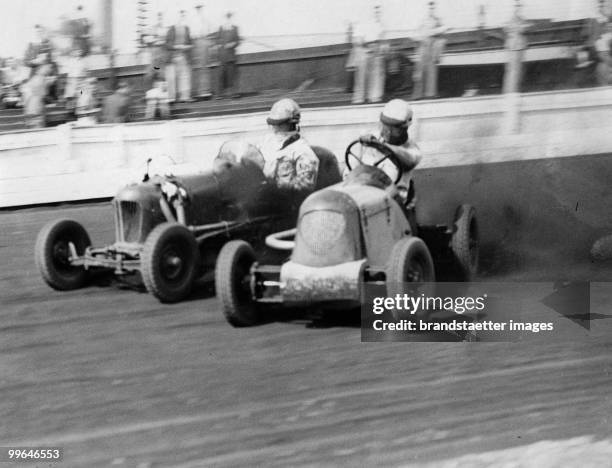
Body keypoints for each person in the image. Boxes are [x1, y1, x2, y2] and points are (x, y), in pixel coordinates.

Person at [349, 99, 422, 210]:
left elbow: (407, 161)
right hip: (364, 196)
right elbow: (350, 171)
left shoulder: (413, 151)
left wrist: (379, 145)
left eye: (394, 127)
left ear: (405, 127)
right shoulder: (368, 139)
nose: (387, 131)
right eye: (385, 125)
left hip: (394, 205)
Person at [257, 98, 319, 192]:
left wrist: (273, 187)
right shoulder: (266, 141)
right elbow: (252, 159)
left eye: (279, 124)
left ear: (291, 124)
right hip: (260, 196)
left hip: (284, 201)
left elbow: (304, 187)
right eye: (273, 124)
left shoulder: (303, 152)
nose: (275, 128)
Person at [351, 5, 387, 104]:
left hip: (377, 50)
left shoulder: (380, 24)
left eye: (378, 11)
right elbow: (356, 40)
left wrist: (382, 47)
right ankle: (360, 98)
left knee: (377, 74)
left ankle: (375, 96)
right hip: (363, 49)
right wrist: (365, 46)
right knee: (361, 75)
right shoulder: (361, 24)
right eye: (375, 11)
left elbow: (383, 38)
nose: (377, 13)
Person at [412, 1, 448, 100]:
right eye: (429, 8)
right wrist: (419, 37)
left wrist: (433, 32)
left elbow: (445, 28)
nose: (431, 10)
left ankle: (430, 94)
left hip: (432, 47)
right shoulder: (422, 20)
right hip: (422, 47)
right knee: (420, 70)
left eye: (433, 8)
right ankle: (418, 95)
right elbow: (415, 33)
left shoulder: (438, 20)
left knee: (431, 70)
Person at [502, 0, 532, 94]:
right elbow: (520, 28)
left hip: (517, 46)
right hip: (515, 46)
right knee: (514, 71)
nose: (519, 9)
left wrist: (526, 26)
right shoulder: (514, 20)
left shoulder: (519, 19)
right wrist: (525, 26)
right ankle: (511, 91)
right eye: (517, 6)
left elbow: (525, 27)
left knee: (516, 70)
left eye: (519, 6)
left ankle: (513, 90)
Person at [165, 10, 193, 102]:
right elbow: (167, 45)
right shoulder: (171, 29)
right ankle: (171, 98)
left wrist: (186, 47)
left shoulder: (187, 29)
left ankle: (184, 97)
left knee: (184, 77)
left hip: (184, 57)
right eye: (180, 16)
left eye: (183, 16)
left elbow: (191, 43)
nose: (182, 18)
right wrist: (177, 46)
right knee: (171, 78)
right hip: (172, 57)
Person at [216, 12, 241, 98]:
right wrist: (219, 46)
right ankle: (220, 94)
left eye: (229, 17)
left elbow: (238, 41)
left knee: (232, 74)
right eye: (226, 17)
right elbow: (217, 40)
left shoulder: (235, 28)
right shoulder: (221, 28)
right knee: (221, 75)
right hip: (222, 56)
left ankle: (233, 93)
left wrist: (233, 44)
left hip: (231, 56)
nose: (228, 19)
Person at [192, 4, 213, 99]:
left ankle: (205, 91)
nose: (199, 10)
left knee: (204, 67)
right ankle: (198, 91)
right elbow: (192, 33)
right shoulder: (192, 20)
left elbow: (208, 30)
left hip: (203, 42)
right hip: (195, 43)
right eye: (197, 8)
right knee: (198, 68)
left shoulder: (205, 19)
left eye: (200, 8)